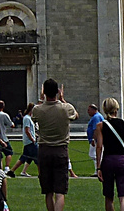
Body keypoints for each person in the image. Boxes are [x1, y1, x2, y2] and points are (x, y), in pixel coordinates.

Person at [31, 78, 77, 211]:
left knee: (48, 191)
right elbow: (76, 115)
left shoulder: (38, 109)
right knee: (60, 192)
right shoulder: (66, 108)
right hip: (61, 150)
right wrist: (62, 99)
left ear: (44, 92)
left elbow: (35, 114)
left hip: (44, 150)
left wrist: (41, 99)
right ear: (58, 91)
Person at [92, 98, 124, 211]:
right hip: (122, 159)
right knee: (123, 196)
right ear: (117, 109)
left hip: (108, 160)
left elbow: (99, 147)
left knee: (109, 196)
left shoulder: (100, 126)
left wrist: (98, 167)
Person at [14, 104, 38, 178]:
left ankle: (13, 171)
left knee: (25, 158)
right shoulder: (27, 118)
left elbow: (30, 130)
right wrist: (32, 139)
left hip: (29, 141)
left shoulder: (28, 118)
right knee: (37, 157)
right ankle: (42, 173)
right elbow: (27, 130)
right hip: (30, 142)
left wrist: (35, 135)